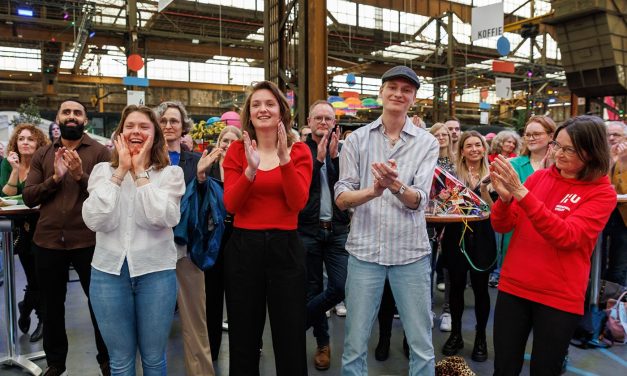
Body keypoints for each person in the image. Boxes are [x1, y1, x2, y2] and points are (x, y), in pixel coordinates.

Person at [490, 115, 616, 376]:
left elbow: (567, 236)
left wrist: (521, 194)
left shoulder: (602, 193)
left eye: (569, 149)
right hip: (514, 287)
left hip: (557, 296)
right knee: (503, 367)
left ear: (592, 151)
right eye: (557, 145)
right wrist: (504, 200)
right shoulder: (539, 179)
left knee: (545, 369)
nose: (558, 153)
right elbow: (502, 226)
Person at [335, 65, 438, 376]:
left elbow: (420, 199)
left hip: (410, 254)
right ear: (381, 92)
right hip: (365, 252)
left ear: (414, 99)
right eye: (392, 87)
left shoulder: (426, 142)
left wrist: (395, 185)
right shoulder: (357, 140)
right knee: (354, 344)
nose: (398, 93)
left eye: (406, 90)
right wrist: (374, 190)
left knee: (421, 343)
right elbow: (342, 196)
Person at [82, 104, 184, 376]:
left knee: (153, 359)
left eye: (144, 127)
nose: (136, 131)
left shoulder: (170, 174)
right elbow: (95, 220)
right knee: (120, 361)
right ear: (120, 134)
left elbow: (163, 217)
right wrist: (119, 174)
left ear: (155, 135)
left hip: (156, 273)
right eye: (130, 126)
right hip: (108, 273)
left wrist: (140, 173)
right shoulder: (103, 172)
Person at [222, 80, 312, 375]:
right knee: (243, 334)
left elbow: (297, 201)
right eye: (256, 104)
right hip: (244, 247)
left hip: (285, 248)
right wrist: (250, 169)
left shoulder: (299, 152)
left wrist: (284, 159)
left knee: (290, 333)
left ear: (281, 111)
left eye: (269, 104)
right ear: (249, 112)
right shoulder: (236, 151)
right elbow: (231, 205)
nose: (263, 109)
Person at [23, 99, 111, 376]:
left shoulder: (100, 153)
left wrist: (79, 175)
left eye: (77, 113)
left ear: (85, 120)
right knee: (51, 307)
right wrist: (56, 179)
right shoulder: (43, 155)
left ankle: (107, 361)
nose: (71, 117)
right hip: (47, 242)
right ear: (58, 118)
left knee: (100, 305)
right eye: (66, 112)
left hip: (89, 242)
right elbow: (28, 197)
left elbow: (108, 197)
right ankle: (56, 363)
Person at [155, 100, 216, 374]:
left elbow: (207, 205)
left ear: (183, 127)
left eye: (174, 121)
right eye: (164, 120)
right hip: (152, 250)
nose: (169, 125)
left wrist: (202, 178)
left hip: (188, 251)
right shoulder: (147, 159)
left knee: (195, 321)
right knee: (151, 324)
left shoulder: (196, 161)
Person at [298, 100, 349, 370]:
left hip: (338, 230)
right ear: (309, 121)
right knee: (313, 288)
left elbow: (348, 188)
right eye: (318, 118)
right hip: (307, 229)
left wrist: (334, 159)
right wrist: (318, 160)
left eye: (328, 119)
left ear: (334, 122)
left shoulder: (342, 152)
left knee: (340, 287)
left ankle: (299, 322)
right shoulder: (299, 151)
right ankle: (323, 343)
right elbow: (299, 193)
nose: (323, 123)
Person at [440, 131, 497, 362]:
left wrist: (485, 191)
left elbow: (497, 210)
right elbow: (444, 205)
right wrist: (445, 198)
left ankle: (481, 337)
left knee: (481, 289)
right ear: (461, 150)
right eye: (469, 145)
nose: (474, 149)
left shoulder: (494, 173)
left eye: (478, 145)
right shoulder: (452, 174)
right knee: (455, 287)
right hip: (456, 235)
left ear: (484, 148)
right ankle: (455, 334)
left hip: (483, 236)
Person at [489, 116, 556, 288]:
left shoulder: (560, 166)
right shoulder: (514, 164)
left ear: (551, 136)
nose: (531, 138)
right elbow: (510, 202)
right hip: (518, 231)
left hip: (550, 231)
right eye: (528, 134)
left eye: (537, 134)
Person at [0, 123, 49, 342]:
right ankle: (32, 310)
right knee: (34, 278)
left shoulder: (44, 163)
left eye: (30, 138)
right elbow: (6, 195)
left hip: (44, 225)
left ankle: (36, 313)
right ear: (15, 144)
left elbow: (45, 194)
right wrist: (14, 170)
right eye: (21, 139)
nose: (25, 142)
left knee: (42, 278)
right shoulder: (7, 163)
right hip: (20, 229)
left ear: (39, 143)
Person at [203, 125, 242, 360]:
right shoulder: (209, 167)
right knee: (213, 296)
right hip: (213, 237)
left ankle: (249, 345)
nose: (227, 145)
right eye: (224, 140)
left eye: (232, 141)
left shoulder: (245, 167)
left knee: (241, 296)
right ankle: (213, 348)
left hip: (239, 235)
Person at [603, 121, 627, 285]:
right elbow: (601, 184)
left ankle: (616, 302)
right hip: (603, 213)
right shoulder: (601, 156)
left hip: (623, 215)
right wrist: (612, 159)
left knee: (619, 264)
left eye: (616, 135)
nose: (611, 138)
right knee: (598, 258)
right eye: (609, 135)